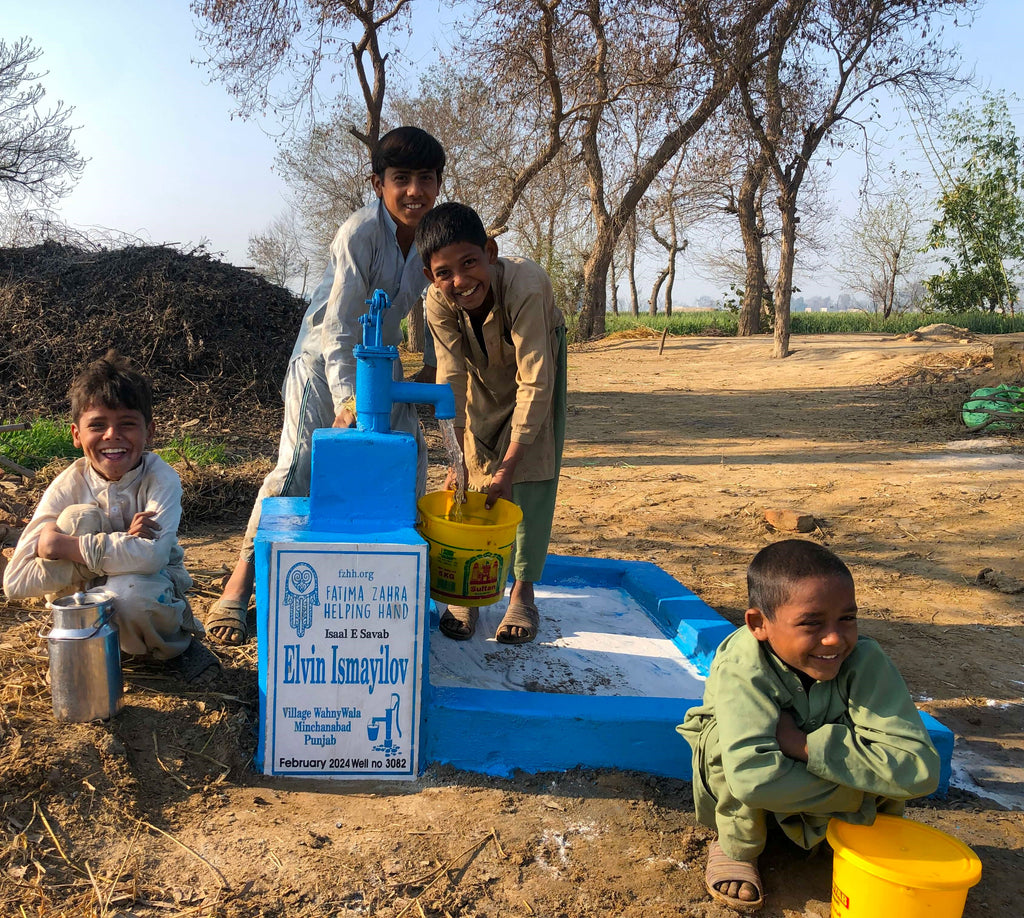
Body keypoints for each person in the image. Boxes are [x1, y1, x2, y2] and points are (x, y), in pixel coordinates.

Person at [206, 126, 445, 645]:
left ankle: (404, 583)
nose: (414, 192)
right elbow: (338, 326)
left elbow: (442, 302)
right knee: (296, 469)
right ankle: (237, 588)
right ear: (378, 182)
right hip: (323, 360)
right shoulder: (359, 233)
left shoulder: (431, 239)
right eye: (400, 179)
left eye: (425, 179)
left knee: (412, 460)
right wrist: (346, 399)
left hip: (382, 363)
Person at [677, 539, 939, 913]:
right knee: (720, 740)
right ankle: (737, 847)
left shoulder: (866, 662)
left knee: (890, 750)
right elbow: (753, 779)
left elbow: (921, 772)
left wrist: (801, 745)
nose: (834, 638)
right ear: (758, 624)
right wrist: (859, 796)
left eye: (847, 618)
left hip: (819, 799)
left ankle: (862, 840)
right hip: (784, 806)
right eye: (811, 623)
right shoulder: (743, 665)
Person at [3, 351, 218, 683]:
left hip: (148, 588)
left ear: (150, 431)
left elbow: (151, 557)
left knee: (130, 593)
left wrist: (62, 546)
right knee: (79, 517)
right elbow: (16, 583)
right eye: (97, 425)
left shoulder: (161, 479)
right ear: (76, 434)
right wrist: (110, 547)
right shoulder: (67, 485)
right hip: (84, 600)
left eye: (127, 424)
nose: (111, 436)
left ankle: (175, 648)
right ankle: (96, 648)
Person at [416, 202, 566, 644]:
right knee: (474, 475)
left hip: (538, 367)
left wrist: (512, 463)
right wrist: (455, 455)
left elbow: (536, 378)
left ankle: (523, 591)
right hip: (480, 377)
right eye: (444, 273)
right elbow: (451, 376)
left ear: (490, 252)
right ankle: (471, 593)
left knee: (532, 476)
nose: (459, 281)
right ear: (431, 277)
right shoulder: (437, 302)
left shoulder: (526, 284)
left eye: (469, 263)